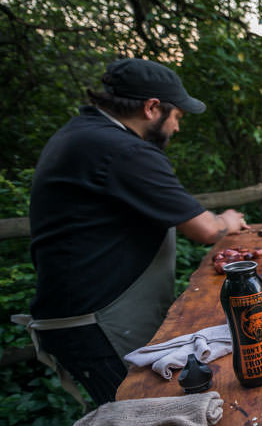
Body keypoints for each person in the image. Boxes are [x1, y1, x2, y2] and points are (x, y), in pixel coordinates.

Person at [28, 58, 249, 407]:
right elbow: (206, 229)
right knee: (144, 425)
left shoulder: (84, 136)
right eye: (176, 116)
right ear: (151, 108)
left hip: (89, 318)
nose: (176, 127)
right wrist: (227, 220)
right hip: (97, 323)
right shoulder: (123, 149)